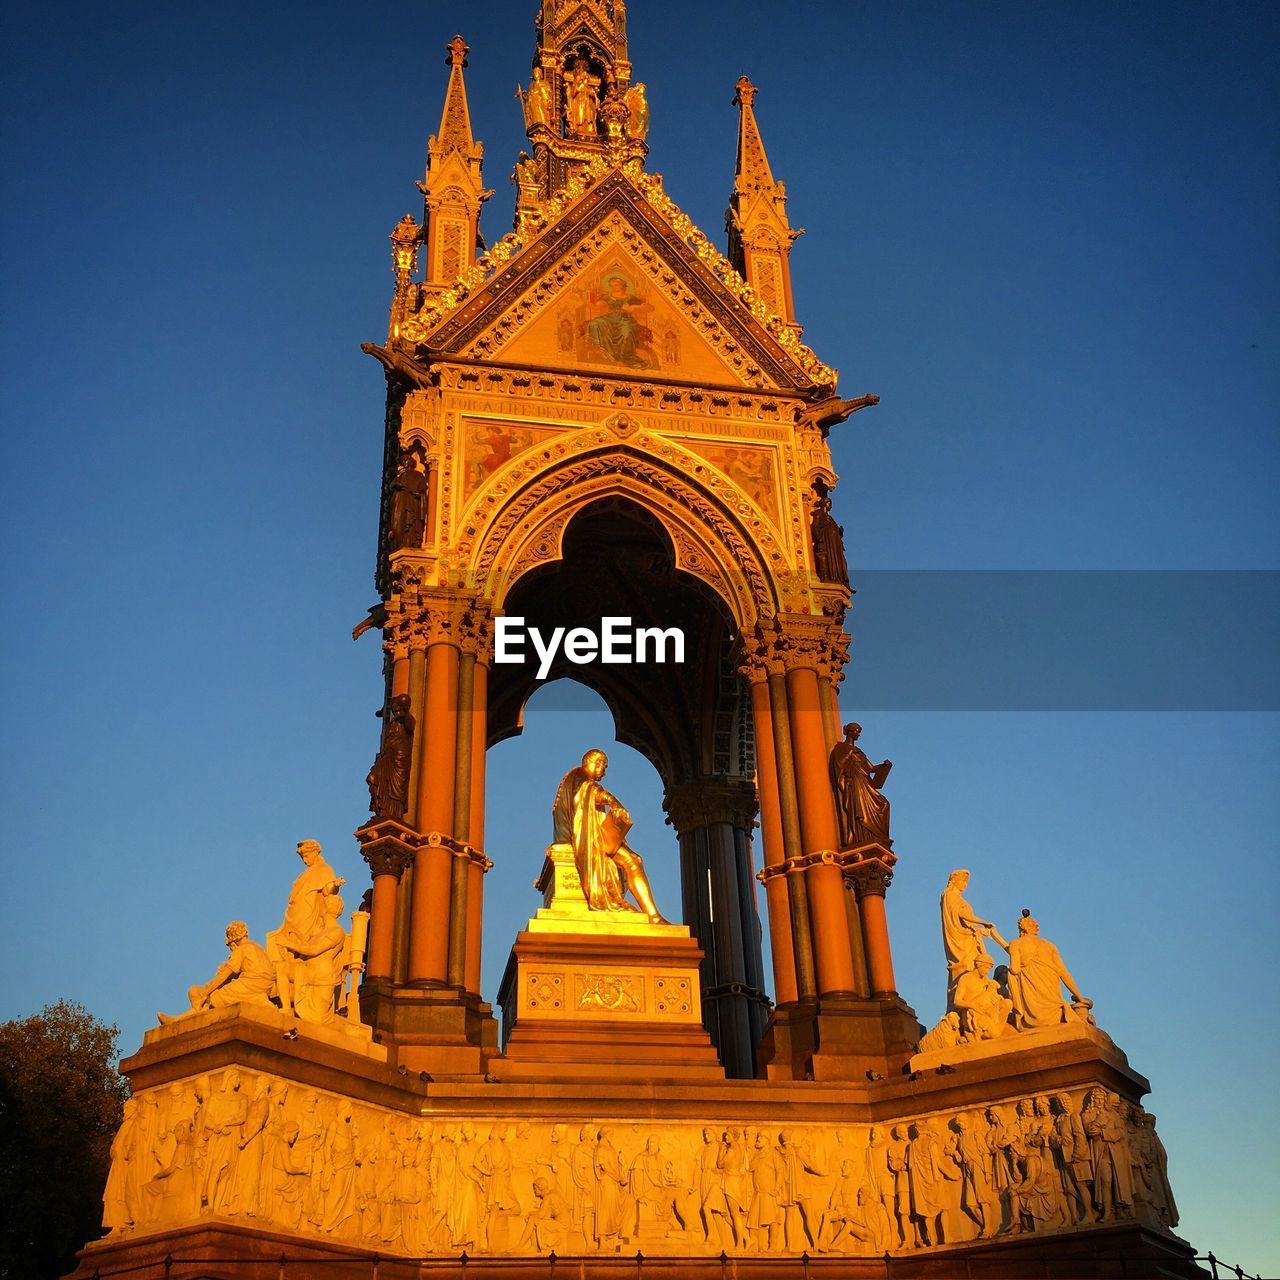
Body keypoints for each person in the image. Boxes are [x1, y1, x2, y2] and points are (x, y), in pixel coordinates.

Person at [551, 749, 665, 922]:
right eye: (603, 766)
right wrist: (614, 804)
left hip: (595, 836)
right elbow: (594, 792)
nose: (604, 771)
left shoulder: (574, 778)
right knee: (633, 861)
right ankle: (653, 916)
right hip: (588, 841)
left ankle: (654, 915)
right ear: (593, 762)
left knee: (634, 861)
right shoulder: (580, 777)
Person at [158, 920, 275, 1024]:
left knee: (215, 998)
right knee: (210, 997)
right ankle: (183, 1019)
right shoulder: (258, 948)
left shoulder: (241, 950)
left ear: (232, 938)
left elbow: (224, 976)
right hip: (265, 986)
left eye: (229, 943)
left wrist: (205, 992)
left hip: (251, 983)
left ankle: (181, 1021)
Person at [1003, 913, 1093, 1031]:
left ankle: (1021, 1019)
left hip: (1033, 1006)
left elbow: (1015, 969)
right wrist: (1079, 997)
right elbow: (1064, 974)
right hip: (1052, 996)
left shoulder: (1016, 943)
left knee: (1009, 972)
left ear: (1021, 928)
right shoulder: (1049, 945)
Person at [940, 869, 999, 1010]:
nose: (965, 885)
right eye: (963, 881)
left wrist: (980, 930)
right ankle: (961, 1008)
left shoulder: (959, 898)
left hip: (969, 938)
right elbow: (961, 914)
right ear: (955, 880)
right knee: (967, 968)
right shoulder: (950, 895)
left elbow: (967, 923)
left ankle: (977, 1005)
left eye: (966, 882)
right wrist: (982, 921)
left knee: (976, 969)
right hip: (961, 942)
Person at [829, 723, 891, 849]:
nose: (859, 734)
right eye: (857, 731)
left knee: (884, 804)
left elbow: (871, 768)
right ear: (850, 732)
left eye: (859, 731)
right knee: (859, 809)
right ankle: (862, 837)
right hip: (855, 783)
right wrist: (849, 754)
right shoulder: (841, 748)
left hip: (865, 782)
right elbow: (839, 765)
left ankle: (877, 836)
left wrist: (884, 766)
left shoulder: (860, 752)